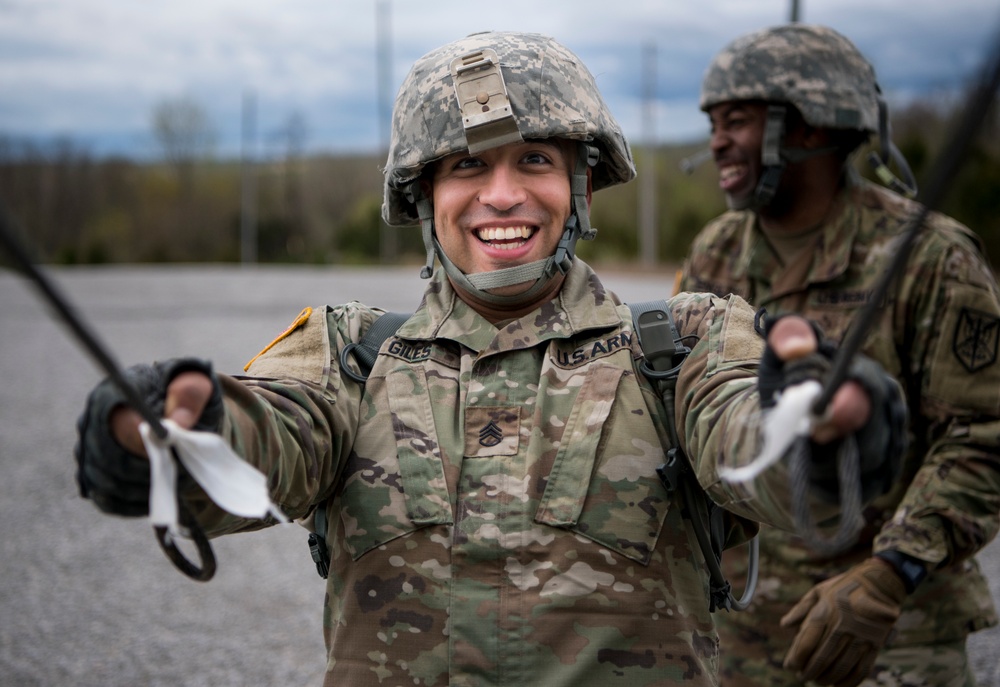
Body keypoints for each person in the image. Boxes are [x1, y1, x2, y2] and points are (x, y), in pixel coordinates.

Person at [75, 31, 906, 687]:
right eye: (468, 165)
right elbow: (270, 438)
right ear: (424, 194)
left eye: (535, 160)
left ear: (579, 186)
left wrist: (818, 422)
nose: (501, 194)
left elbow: (749, 439)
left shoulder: (686, 341)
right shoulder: (350, 351)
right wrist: (170, 428)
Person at [678, 23, 1000, 687]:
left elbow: (983, 437)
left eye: (737, 119)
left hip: (892, 632)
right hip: (744, 630)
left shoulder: (931, 258)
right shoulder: (716, 251)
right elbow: (680, 412)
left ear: (813, 127)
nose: (717, 141)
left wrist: (890, 574)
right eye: (713, 121)